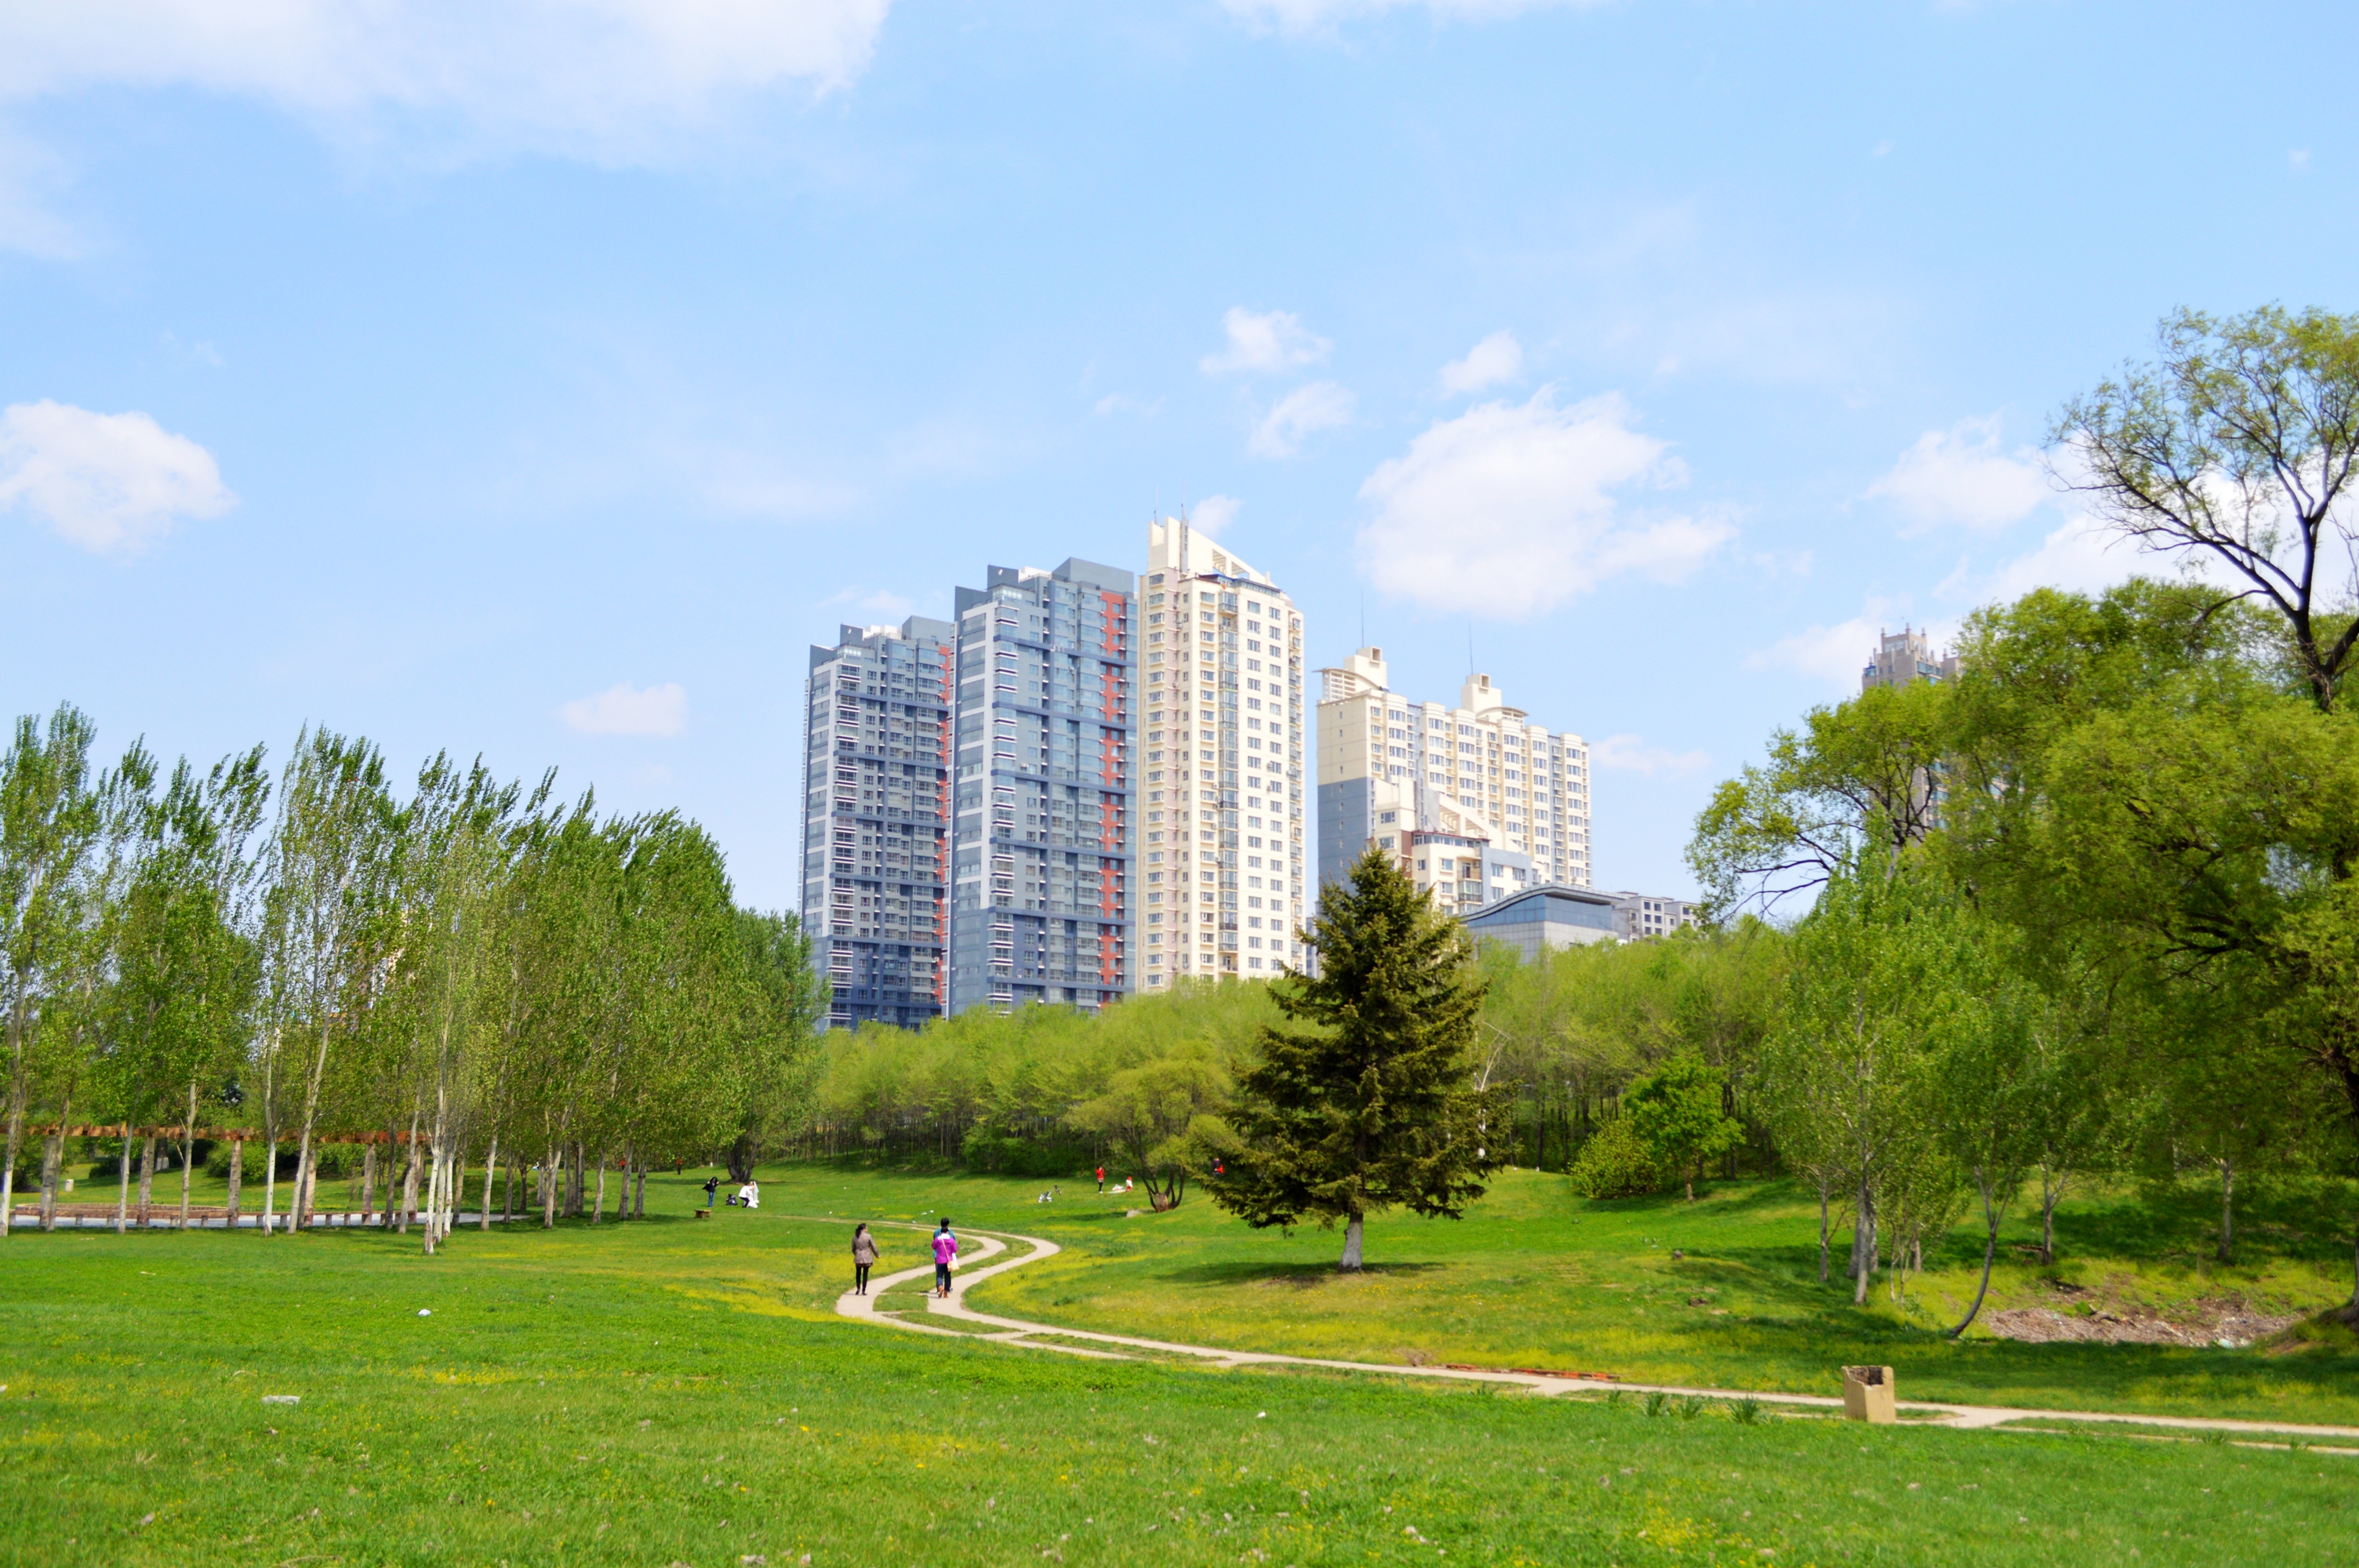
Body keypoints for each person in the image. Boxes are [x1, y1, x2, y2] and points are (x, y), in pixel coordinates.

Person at [932, 1218, 958, 1298]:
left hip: (939, 1260)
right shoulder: (951, 1239)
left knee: (939, 1275)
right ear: (947, 1232)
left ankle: (940, 1288)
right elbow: (955, 1249)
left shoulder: (938, 1238)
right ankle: (946, 1292)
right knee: (947, 1276)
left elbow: (933, 1246)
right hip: (948, 1260)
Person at [852, 1223, 878, 1295]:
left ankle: (858, 1289)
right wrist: (877, 1255)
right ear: (864, 1229)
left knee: (858, 1273)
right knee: (865, 1274)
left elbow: (853, 1248)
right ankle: (863, 1290)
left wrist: (856, 1254)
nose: (867, 1229)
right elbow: (873, 1247)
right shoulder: (868, 1236)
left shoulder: (855, 1236)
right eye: (866, 1228)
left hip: (858, 1257)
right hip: (867, 1257)